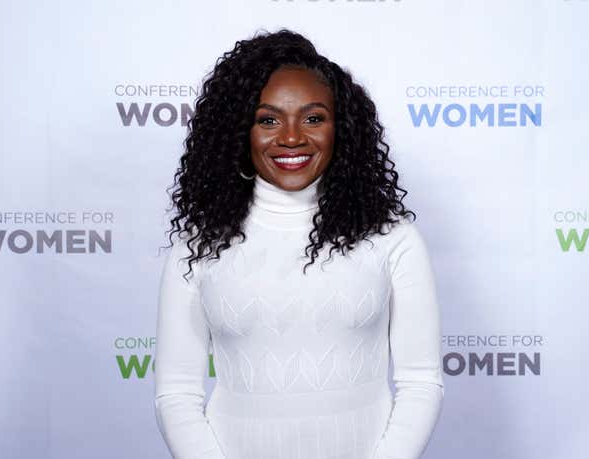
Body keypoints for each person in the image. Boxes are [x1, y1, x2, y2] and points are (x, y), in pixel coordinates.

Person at [154, 28, 444, 459]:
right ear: (240, 131)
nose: (291, 138)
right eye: (268, 119)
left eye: (313, 118)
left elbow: (421, 381)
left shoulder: (391, 238)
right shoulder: (199, 246)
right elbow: (176, 393)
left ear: (340, 128)